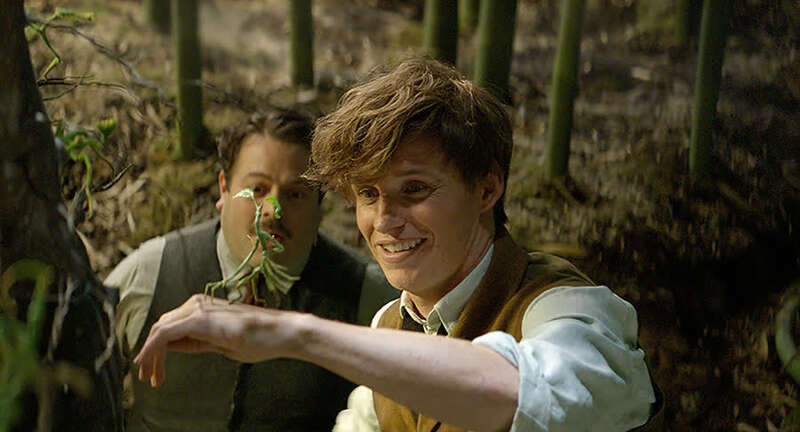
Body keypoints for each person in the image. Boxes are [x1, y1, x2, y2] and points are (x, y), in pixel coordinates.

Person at [133, 57, 661, 432]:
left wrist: (293, 332)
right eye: (368, 194)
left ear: (487, 189)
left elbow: (528, 396)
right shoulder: (391, 322)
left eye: (415, 190)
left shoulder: (567, 308)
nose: (384, 221)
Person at [106, 108, 397, 432]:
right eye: (257, 189)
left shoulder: (372, 299)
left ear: (320, 206)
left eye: (295, 194)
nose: (273, 210)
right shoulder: (149, 272)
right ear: (224, 189)